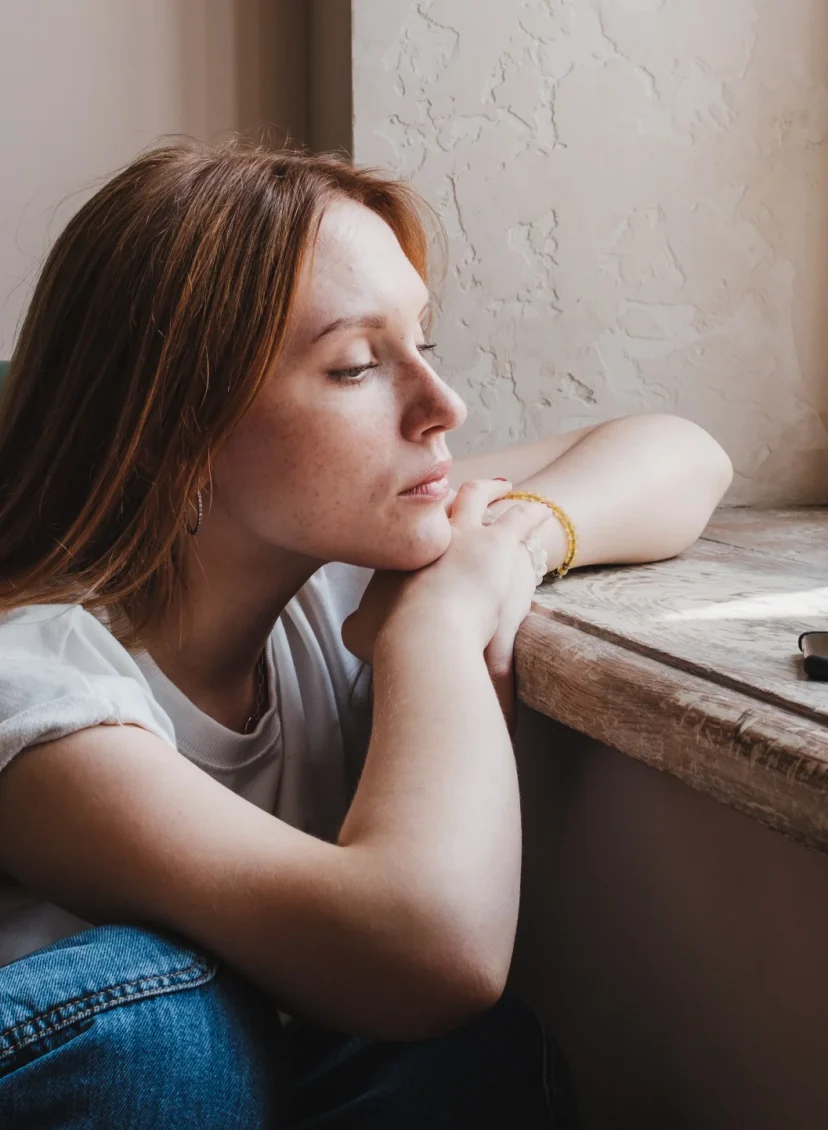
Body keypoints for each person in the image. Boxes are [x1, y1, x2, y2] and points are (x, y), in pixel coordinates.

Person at [0, 138, 732, 1128]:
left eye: (423, 341)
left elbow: (683, 455)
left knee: (465, 1060)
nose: (443, 406)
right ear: (176, 427)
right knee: (163, 1025)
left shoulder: (320, 558)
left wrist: (507, 552)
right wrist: (437, 625)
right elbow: (430, 948)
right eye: (355, 367)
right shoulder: (33, 681)